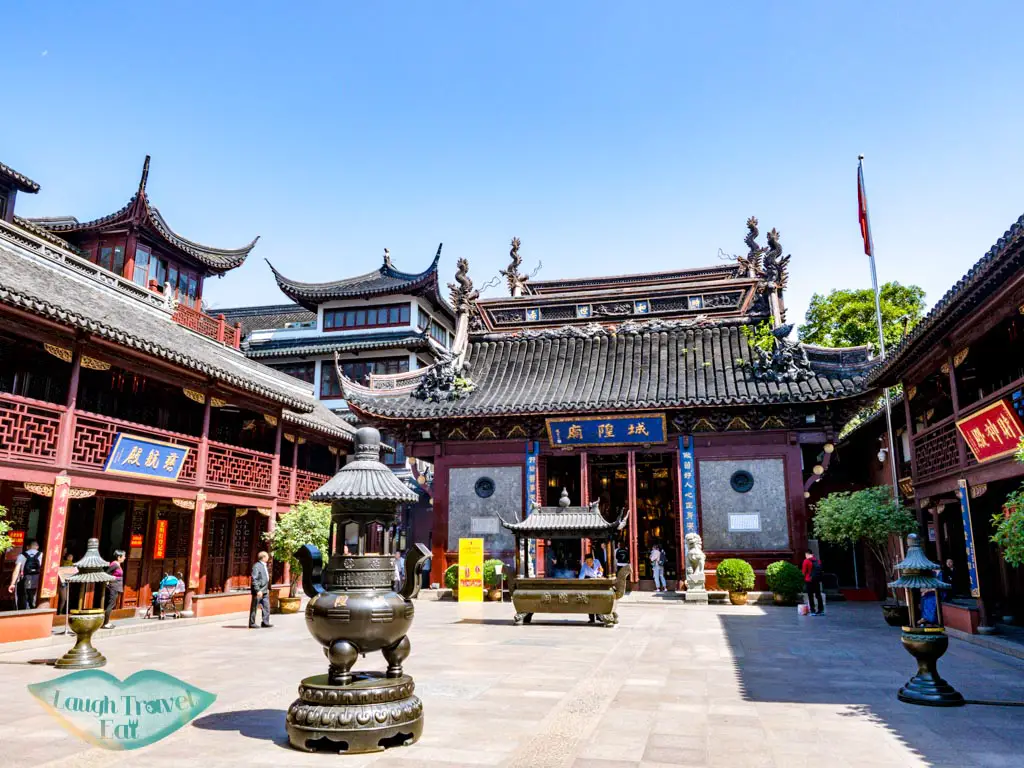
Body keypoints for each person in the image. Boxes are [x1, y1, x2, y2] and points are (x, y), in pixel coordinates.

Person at [8, 539, 43, 610]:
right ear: (37, 547)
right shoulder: (42, 555)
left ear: (27, 547)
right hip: (38, 582)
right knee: (35, 601)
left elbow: (16, 570)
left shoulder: (22, 555)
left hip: (25, 581)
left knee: (24, 600)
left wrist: (12, 584)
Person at [102, 550, 126, 629]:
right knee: (111, 604)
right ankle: (105, 623)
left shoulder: (117, 564)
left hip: (116, 586)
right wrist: (108, 583)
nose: (124, 558)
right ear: (119, 557)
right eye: (123, 556)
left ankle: (107, 622)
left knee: (112, 604)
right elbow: (107, 573)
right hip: (113, 586)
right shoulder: (114, 564)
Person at [249, 551, 272, 629]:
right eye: (267, 556)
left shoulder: (265, 565)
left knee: (266, 606)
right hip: (259, 590)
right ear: (264, 557)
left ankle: (265, 622)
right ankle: (252, 623)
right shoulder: (257, 566)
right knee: (254, 607)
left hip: (265, 590)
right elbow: (254, 579)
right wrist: (257, 590)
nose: (268, 557)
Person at [579, 552, 604, 624]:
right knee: (590, 600)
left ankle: (599, 615)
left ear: (593, 560)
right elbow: (581, 576)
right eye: (587, 562)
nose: (588, 563)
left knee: (598, 599)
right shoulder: (584, 566)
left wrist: (599, 576)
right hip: (589, 582)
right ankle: (591, 618)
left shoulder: (597, 561)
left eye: (590, 561)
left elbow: (601, 570)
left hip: (597, 581)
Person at [802, 549, 824, 616]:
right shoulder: (818, 561)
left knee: (810, 596)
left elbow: (804, 572)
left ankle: (813, 611)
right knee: (818, 595)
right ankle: (821, 610)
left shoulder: (806, 561)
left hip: (809, 580)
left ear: (807, 554)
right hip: (816, 580)